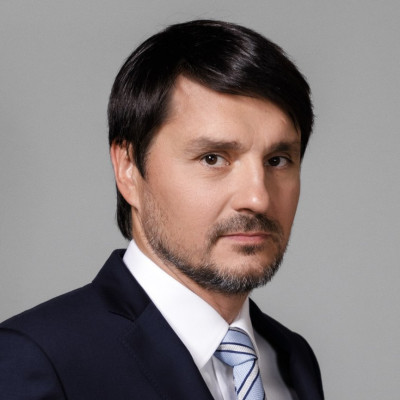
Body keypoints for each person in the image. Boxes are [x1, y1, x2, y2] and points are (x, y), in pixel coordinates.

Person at [0, 20, 324, 400]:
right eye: (212, 158)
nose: (258, 198)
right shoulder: (35, 359)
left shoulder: (291, 358)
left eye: (278, 160)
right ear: (128, 169)